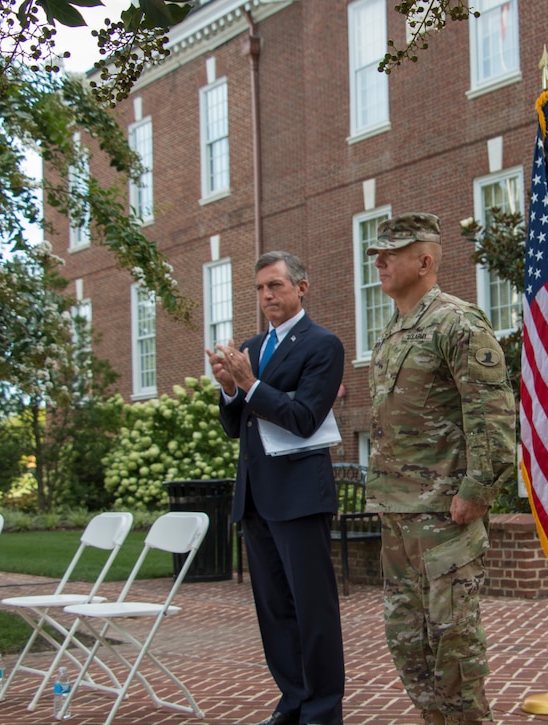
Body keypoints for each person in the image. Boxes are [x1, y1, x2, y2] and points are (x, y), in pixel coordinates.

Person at [365, 213, 517, 725]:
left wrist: (479, 489)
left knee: (453, 647)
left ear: (425, 261)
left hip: (444, 516)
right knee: (408, 644)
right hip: (398, 515)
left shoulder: (458, 322)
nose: (379, 261)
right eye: (377, 254)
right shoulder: (390, 332)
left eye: (392, 253)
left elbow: (491, 412)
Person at [207, 251, 345, 725]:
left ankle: (322, 713)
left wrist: (250, 383)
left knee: (313, 613)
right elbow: (236, 426)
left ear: (301, 288)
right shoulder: (252, 345)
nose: (267, 296)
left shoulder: (322, 345)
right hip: (256, 499)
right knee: (275, 614)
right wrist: (228, 388)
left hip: (301, 499)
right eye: (261, 288)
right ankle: (292, 703)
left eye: (276, 286)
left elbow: (306, 419)